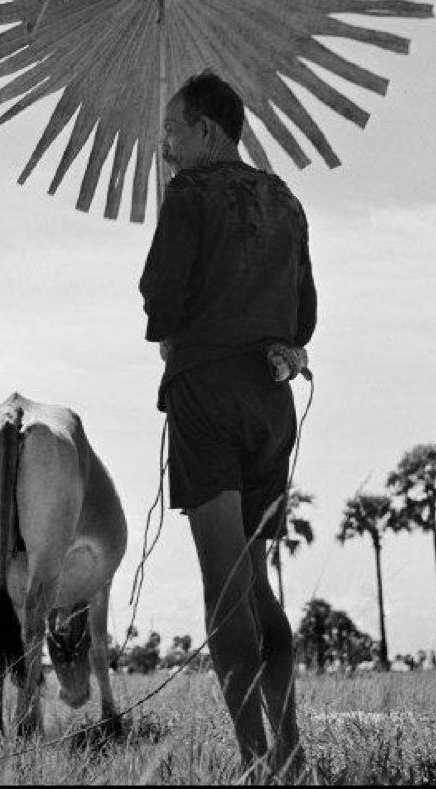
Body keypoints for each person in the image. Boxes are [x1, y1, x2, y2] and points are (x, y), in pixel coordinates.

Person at [138, 70, 316, 780]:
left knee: (225, 581)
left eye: (173, 132)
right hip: (272, 401)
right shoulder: (286, 200)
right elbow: (303, 318)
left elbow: (159, 296)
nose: (166, 147)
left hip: (206, 393)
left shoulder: (188, 194)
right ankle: (293, 751)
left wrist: (169, 324)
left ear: (208, 130)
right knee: (257, 578)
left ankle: (253, 761)